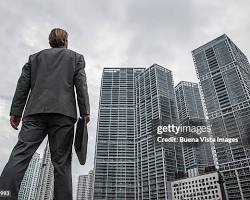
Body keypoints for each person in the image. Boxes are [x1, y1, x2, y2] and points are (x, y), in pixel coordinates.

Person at [0, 28, 90, 200]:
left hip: (34, 114)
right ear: (65, 41)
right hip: (63, 115)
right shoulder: (76, 58)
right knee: (62, 164)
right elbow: (81, 86)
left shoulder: (34, 59)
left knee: (19, 156)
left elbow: (22, 86)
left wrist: (16, 112)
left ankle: (4, 195)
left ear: (50, 41)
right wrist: (85, 112)